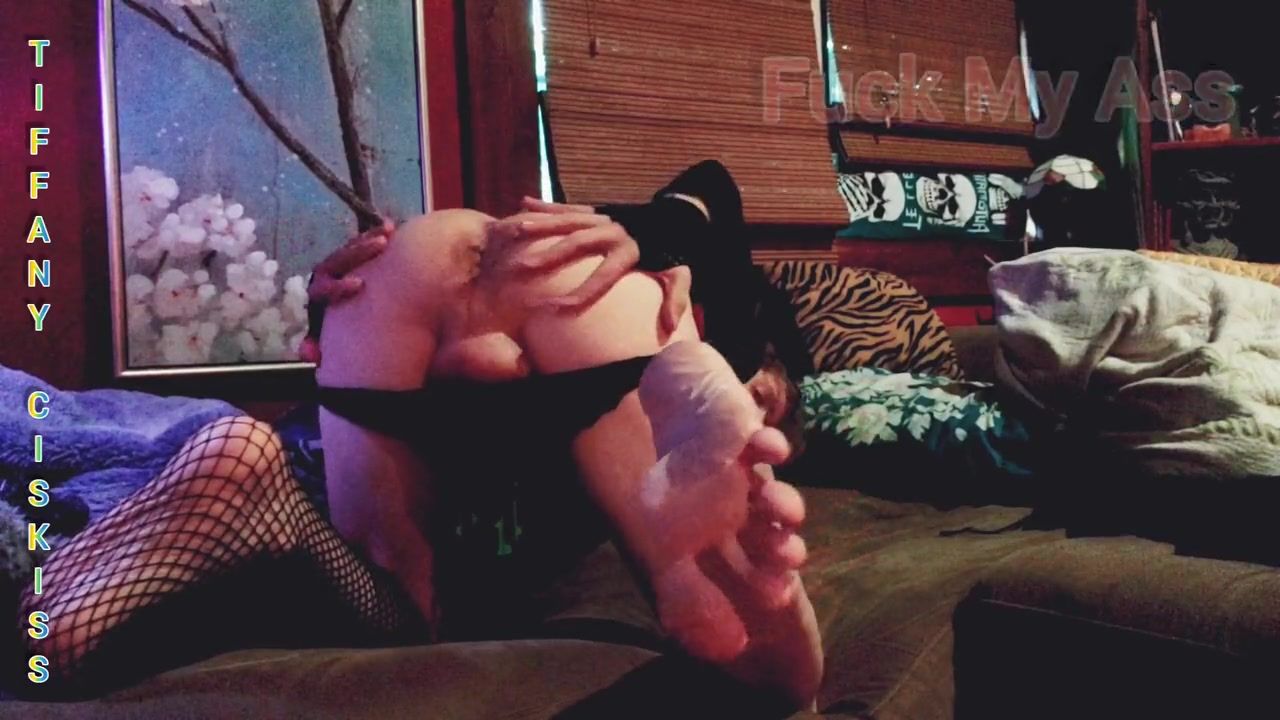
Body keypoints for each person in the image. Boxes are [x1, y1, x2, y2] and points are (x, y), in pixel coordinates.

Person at [18, 169, 823, 706]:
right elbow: (710, 184)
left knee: (404, 597)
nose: (766, 403)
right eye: (768, 394)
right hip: (598, 311)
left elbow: (707, 189)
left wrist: (327, 317)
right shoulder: (693, 306)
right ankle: (740, 605)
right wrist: (644, 240)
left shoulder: (644, 267)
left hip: (401, 272)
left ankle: (246, 480)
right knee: (752, 658)